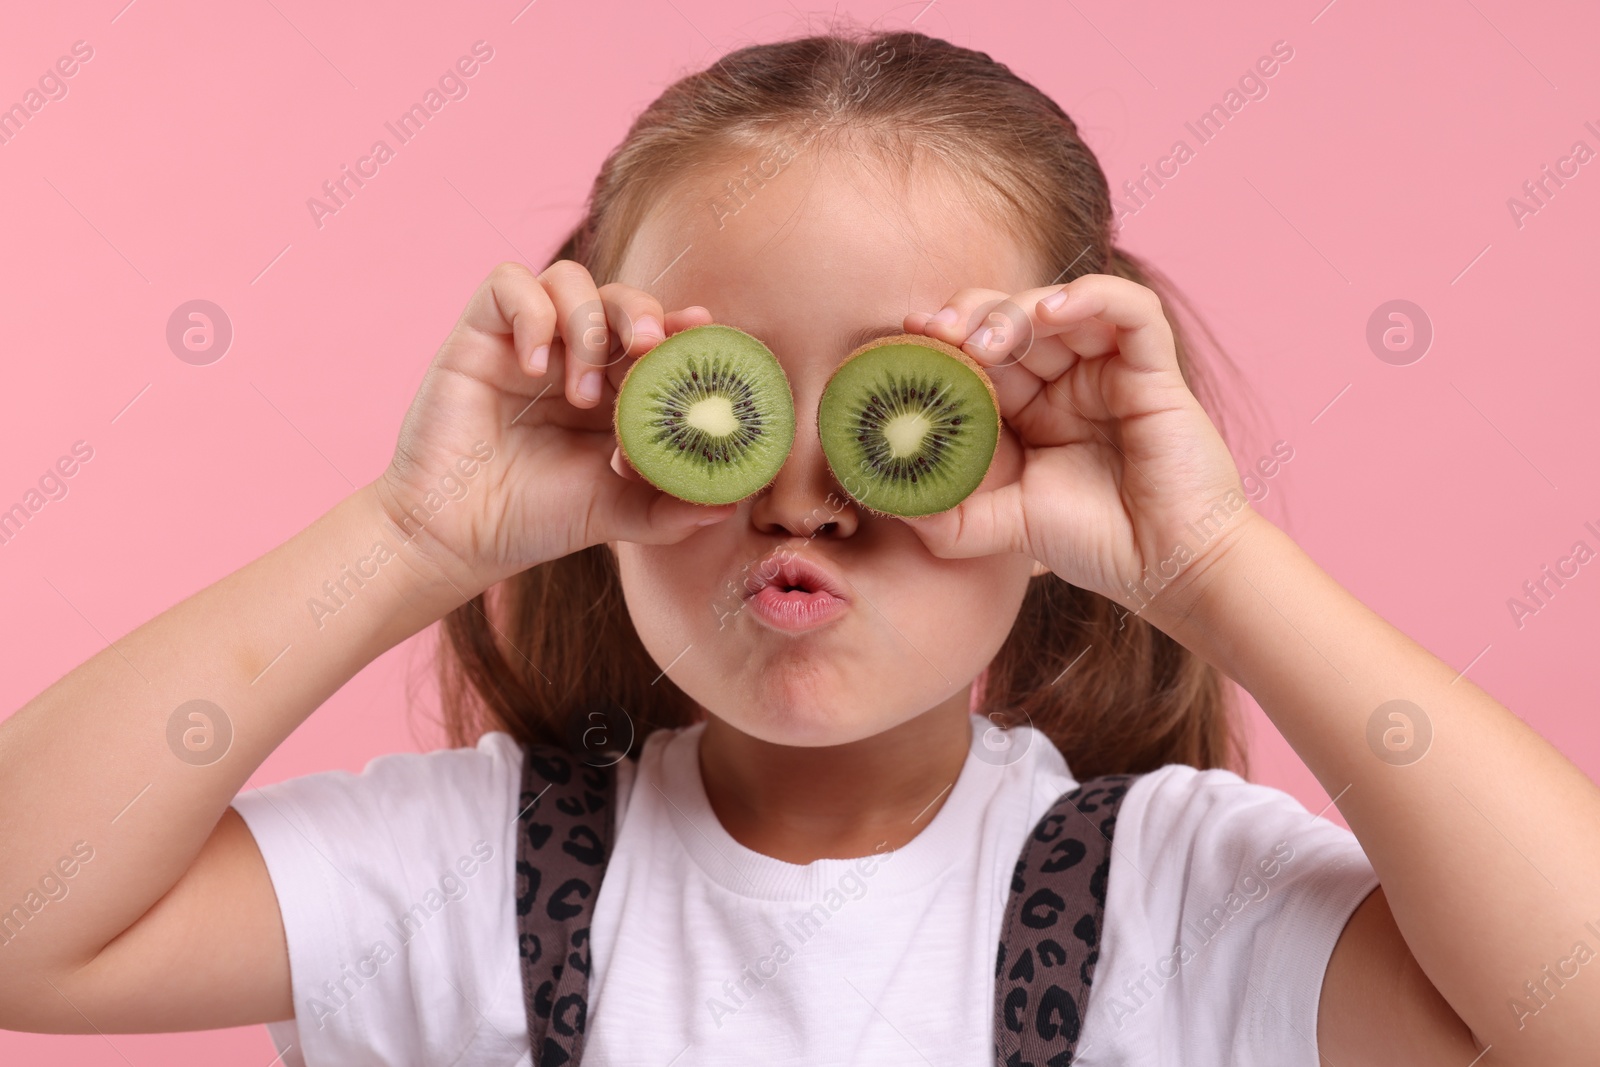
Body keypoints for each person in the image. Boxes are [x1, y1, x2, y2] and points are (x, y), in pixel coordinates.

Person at [2, 25, 1597, 1067]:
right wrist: (414, 534)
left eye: (904, 412)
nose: (808, 493)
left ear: (1046, 440)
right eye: (734, 400)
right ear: (617, 413)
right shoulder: (464, 885)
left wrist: (1209, 564)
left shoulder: (1169, 910)